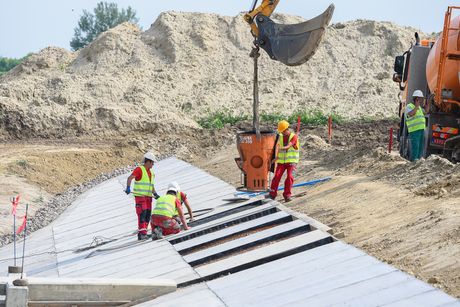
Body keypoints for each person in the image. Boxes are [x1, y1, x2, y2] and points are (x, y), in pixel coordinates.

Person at [125, 152, 160, 240]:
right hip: (140, 198)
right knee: (142, 214)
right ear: (148, 161)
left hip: (148, 198)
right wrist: (128, 188)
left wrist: (155, 194)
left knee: (147, 215)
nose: (153, 164)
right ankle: (141, 234)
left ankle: (144, 232)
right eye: (152, 162)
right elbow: (130, 178)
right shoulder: (139, 170)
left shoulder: (151, 173)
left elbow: (151, 185)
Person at [268, 120, 300, 202]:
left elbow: (288, 146)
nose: (281, 133)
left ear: (287, 129)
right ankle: (272, 194)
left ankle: (287, 195)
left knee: (289, 177)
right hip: (281, 162)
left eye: (283, 131)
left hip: (292, 162)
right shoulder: (280, 137)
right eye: (281, 132)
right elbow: (278, 151)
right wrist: (274, 159)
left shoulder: (294, 137)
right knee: (276, 177)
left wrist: (277, 148)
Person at [406, 90, 427, 161]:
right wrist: (416, 106)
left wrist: (429, 103)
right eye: (420, 98)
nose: (421, 100)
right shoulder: (409, 106)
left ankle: (419, 159)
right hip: (414, 130)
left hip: (421, 129)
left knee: (420, 146)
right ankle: (414, 160)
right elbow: (411, 114)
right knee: (415, 146)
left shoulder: (419, 108)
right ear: (416, 98)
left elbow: (426, 112)